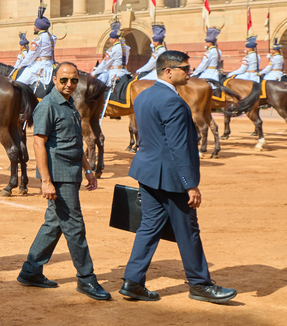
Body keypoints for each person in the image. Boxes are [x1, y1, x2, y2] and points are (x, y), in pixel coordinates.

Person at [119, 49, 237, 304]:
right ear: (169, 72)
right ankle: (200, 284)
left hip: (147, 171)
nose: (190, 71)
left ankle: (133, 281)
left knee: (148, 227)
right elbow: (179, 146)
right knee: (188, 230)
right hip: (170, 176)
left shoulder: (144, 96)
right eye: (185, 68)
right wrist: (190, 185)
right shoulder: (171, 101)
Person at [17, 62, 110, 300]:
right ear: (54, 79)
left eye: (74, 81)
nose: (69, 85)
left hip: (72, 171)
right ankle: (86, 279)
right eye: (64, 80)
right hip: (58, 175)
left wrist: (88, 169)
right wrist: (46, 181)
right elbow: (38, 143)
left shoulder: (69, 105)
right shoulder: (47, 106)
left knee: (54, 223)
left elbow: (74, 141)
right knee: (74, 226)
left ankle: (31, 271)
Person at [15, 6, 56, 90]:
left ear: (38, 27)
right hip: (49, 64)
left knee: (18, 84)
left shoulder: (38, 39)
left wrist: (22, 64)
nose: (34, 27)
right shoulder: (52, 37)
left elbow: (31, 54)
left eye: (35, 25)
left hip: (39, 65)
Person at [92, 21, 130, 89]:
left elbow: (104, 64)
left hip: (113, 73)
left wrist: (95, 72)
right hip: (124, 72)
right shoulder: (126, 48)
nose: (110, 40)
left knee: (98, 88)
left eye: (111, 38)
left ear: (115, 39)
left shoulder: (112, 49)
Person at [190, 26, 224, 91]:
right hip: (216, 74)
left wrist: (195, 73)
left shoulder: (209, 52)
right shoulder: (219, 51)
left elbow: (203, 64)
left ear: (210, 43)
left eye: (206, 42)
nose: (206, 44)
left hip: (208, 74)